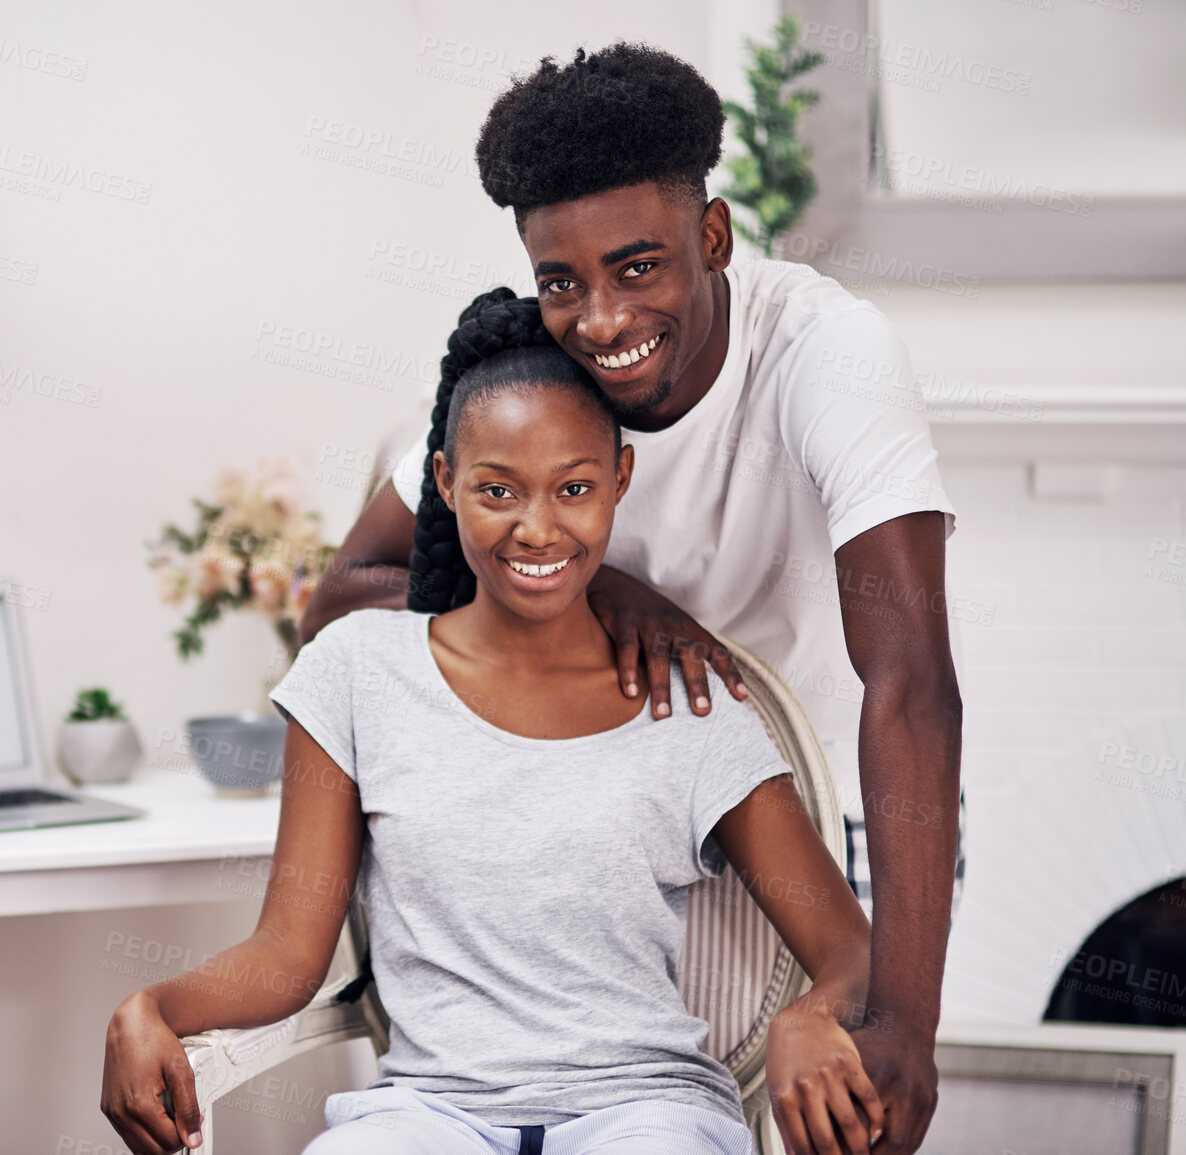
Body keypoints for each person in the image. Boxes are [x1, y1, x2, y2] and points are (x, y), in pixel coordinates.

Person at [300, 44, 962, 1153]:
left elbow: (908, 683)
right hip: (607, 828)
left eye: (638, 268)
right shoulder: (521, 378)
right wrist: (610, 587)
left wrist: (901, 1018)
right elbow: (346, 597)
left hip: (810, 827)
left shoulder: (826, 354)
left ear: (712, 239)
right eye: (562, 281)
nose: (600, 321)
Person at [102, 299, 884, 1155]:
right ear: (444, 482)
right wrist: (151, 1007)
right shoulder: (356, 672)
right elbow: (288, 952)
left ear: (620, 479)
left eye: (574, 488)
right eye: (498, 489)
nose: (537, 527)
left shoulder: (688, 702)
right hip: (426, 1116)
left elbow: (846, 942)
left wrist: (813, 1013)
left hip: (646, 1115)